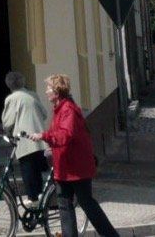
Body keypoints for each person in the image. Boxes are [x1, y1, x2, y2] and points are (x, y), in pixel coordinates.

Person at [30, 73, 119, 237]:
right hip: (64, 167)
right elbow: (58, 133)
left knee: (87, 203)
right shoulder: (59, 109)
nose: (46, 91)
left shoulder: (68, 110)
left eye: (49, 88)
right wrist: (48, 142)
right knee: (65, 205)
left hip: (77, 168)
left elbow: (65, 135)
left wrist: (44, 136)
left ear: (57, 91)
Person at [0, 71, 50, 206]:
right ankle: (40, 198)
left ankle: (32, 198)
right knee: (37, 171)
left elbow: (7, 122)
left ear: (9, 84)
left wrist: (7, 132)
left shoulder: (12, 98)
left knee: (27, 170)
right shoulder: (33, 95)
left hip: (25, 140)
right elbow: (44, 114)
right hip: (40, 138)